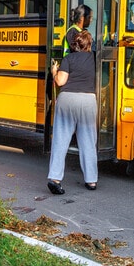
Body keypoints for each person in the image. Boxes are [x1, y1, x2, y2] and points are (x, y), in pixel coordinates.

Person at [48, 30, 98, 194]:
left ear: (74, 45)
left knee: (60, 140)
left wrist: (54, 72)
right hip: (88, 101)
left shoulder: (68, 59)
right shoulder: (95, 58)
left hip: (67, 99)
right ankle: (91, 181)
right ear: (88, 44)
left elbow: (61, 81)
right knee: (88, 141)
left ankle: (55, 178)